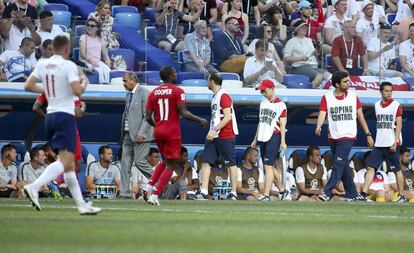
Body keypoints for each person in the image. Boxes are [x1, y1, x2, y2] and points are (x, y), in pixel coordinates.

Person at [23, 35, 101, 214]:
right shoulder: (68, 65)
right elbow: (77, 90)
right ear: (66, 49)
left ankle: (81, 206)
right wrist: (84, 83)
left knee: (68, 166)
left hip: (50, 117)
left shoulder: (43, 64)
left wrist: (49, 90)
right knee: (65, 161)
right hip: (65, 116)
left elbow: (27, 86)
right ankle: (34, 186)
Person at [144, 65, 208, 205]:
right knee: (171, 165)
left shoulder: (153, 93)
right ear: (170, 76)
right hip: (172, 132)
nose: (176, 74)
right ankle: (155, 194)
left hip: (159, 131)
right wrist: (200, 120)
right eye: (174, 72)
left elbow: (147, 116)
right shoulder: (178, 91)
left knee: (165, 161)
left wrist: (158, 126)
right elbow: (184, 113)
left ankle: (149, 184)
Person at [315, 71, 374, 201]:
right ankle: (353, 195)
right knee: (344, 167)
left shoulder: (353, 97)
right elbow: (322, 113)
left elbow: (361, 116)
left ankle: (327, 192)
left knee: (338, 163)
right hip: (333, 136)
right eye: (345, 81)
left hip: (348, 136)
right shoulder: (327, 97)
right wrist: (318, 125)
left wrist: (368, 134)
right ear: (337, 84)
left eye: (348, 80)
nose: (349, 83)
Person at [355, 82, 406, 203]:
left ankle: (402, 196)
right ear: (381, 92)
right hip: (379, 144)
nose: (389, 93)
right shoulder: (377, 105)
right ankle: (363, 193)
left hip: (391, 143)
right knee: (370, 167)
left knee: (397, 170)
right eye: (386, 91)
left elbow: (399, 125)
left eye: (390, 91)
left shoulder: (396, 105)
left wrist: (395, 142)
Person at [195, 73, 239, 200]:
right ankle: (203, 191)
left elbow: (227, 117)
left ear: (212, 81)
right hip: (214, 136)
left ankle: (234, 193)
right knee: (206, 161)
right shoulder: (215, 96)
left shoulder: (223, 95)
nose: (207, 83)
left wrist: (214, 130)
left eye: (208, 80)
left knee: (231, 163)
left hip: (225, 135)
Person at [251, 79, 288, 201]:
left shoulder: (281, 105)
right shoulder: (263, 103)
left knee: (267, 165)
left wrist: (283, 141)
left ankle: (266, 195)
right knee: (269, 166)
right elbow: (260, 122)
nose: (263, 93)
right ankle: (283, 190)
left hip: (274, 135)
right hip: (263, 136)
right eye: (261, 91)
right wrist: (255, 139)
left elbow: (283, 125)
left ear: (272, 88)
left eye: (264, 90)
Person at [119, 71, 154, 198]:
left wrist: (142, 133)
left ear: (133, 80)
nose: (123, 83)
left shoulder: (144, 92)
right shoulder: (128, 94)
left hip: (141, 135)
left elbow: (148, 115)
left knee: (140, 162)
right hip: (128, 134)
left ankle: (161, 182)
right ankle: (124, 193)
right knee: (125, 164)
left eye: (125, 80)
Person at [284, 20, 331, 88]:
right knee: (319, 76)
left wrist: (315, 53)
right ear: (297, 29)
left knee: (329, 76)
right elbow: (286, 58)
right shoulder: (291, 41)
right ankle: (309, 91)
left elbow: (312, 54)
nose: (305, 28)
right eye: (302, 27)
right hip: (298, 67)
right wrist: (300, 58)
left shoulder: (309, 40)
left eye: (306, 27)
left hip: (312, 66)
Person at [79, 18, 111, 84]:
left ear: (97, 28)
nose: (89, 27)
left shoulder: (100, 39)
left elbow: (105, 55)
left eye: (92, 26)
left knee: (107, 70)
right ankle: (101, 87)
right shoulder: (83, 37)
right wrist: (91, 61)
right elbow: (82, 54)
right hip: (86, 61)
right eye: (88, 25)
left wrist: (107, 60)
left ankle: (107, 87)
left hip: (97, 61)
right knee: (99, 71)